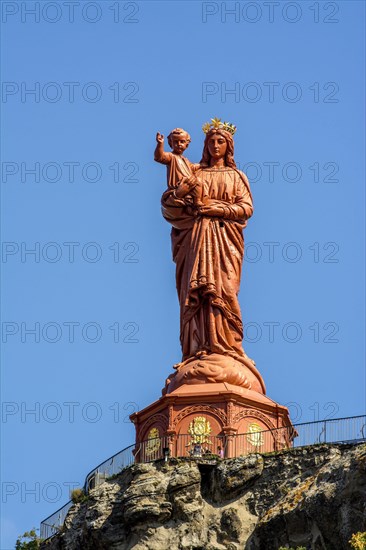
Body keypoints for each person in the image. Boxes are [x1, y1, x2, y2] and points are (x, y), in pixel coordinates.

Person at [161, 121, 254, 367]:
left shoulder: (236, 176)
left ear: (228, 146)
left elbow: (246, 208)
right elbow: (171, 208)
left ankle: (229, 346)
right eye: (211, 141)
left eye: (220, 141)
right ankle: (196, 347)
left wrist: (217, 208)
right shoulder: (195, 173)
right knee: (198, 292)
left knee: (224, 289)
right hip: (196, 239)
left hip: (224, 241)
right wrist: (180, 194)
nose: (215, 145)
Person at [154, 128, 206, 207]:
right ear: (171, 143)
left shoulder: (185, 160)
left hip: (190, 182)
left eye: (182, 141)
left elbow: (192, 167)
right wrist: (160, 144)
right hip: (179, 185)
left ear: (187, 144)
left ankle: (197, 200)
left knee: (198, 182)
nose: (179, 144)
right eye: (176, 142)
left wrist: (201, 165)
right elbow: (159, 157)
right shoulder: (171, 156)